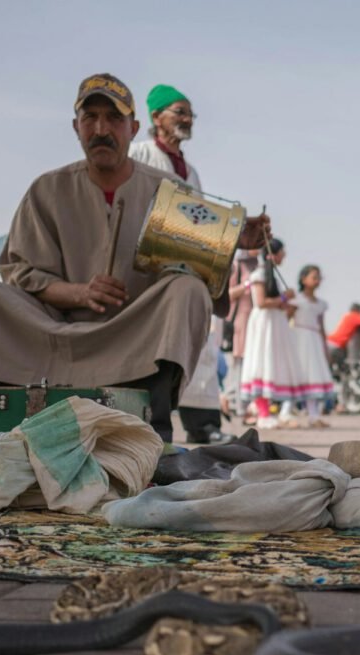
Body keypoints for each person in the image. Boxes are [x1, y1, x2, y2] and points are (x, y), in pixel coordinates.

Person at [0, 73, 267, 444]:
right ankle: (3, 412)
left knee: (187, 288)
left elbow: (202, 270)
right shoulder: (48, 189)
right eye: (90, 118)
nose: (100, 129)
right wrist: (78, 293)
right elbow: (20, 272)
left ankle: (151, 420)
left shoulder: (170, 191)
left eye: (114, 119)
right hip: (49, 331)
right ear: (76, 127)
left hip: (132, 335)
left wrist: (233, 241)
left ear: (133, 128)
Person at [129, 83, 226, 444]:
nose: (186, 119)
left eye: (189, 113)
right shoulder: (138, 155)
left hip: (186, 268)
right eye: (179, 112)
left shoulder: (192, 172)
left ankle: (203, 425)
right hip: (148, 271)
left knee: (201, 344)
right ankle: (150, 426)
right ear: (156, 117)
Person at [239, 238, 300, 429]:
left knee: (272, 365)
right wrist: (284, 297)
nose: (284, 255)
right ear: (272, 255)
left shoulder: (272, 276)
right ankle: (262, 413)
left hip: (275, 324)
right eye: (282, 252)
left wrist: (286, 304)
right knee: (262, 364)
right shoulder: (259, 274)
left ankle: (269, 411)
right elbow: (262, 302)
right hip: (264, 324)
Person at [290, 264, 335, 428]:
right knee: (297, 375)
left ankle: (313, 415)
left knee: (313, 376)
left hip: (314, 340)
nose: (317, 281)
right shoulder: (296, 300)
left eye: (319, 277)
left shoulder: (321, 304)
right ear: (304, 279)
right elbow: (286, 318)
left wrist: (325, 347)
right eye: (314, 277)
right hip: (299, 339)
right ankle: (285, 411)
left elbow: (322, 326)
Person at [223, 248, 262, 422]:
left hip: (255, 321)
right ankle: (234, 404)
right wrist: (247, 285)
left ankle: (242, 404)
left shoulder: (259, 265)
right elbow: (228, 294)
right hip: (240, 319)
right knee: (238, 362)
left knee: (249, 363)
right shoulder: (237, 265)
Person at [327, 302, 360, 368]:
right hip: (336, 344)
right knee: (342, 365)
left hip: (331, 342)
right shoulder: (353, 316)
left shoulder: (347, 317)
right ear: (358, 310)